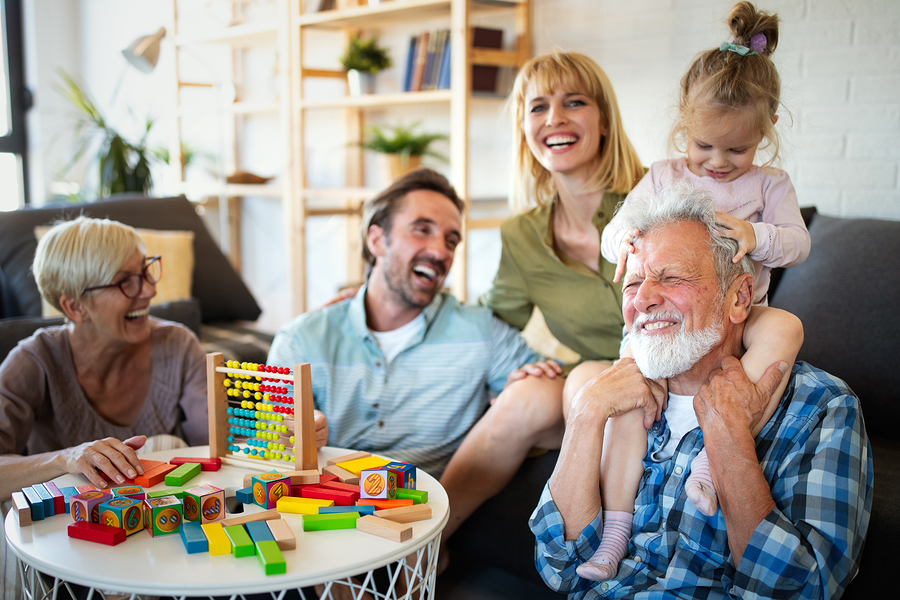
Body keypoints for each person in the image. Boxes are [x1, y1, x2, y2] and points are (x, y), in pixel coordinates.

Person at [531, 181, 872, 599]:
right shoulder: (613, 398)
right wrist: (586, 413)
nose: (643, 301)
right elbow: (559, 568)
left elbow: (803, 590)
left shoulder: (821, 408)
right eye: (632, 285)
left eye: (671, 277)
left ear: (740, 297)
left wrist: (730, 440)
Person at [577, 2, 812, 580]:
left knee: (786, 327)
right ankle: (614, 535)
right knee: (629, 409)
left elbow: (799, 246)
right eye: (704, 146)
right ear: (685, 128)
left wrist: (757, 234)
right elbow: (611, 238)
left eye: (737, 150)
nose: (718, 163)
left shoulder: (770, 185)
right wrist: (629, 239)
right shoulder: (662, 176)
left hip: (740, 314)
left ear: (764, 133)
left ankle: (714, 458)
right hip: (666, 325)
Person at [266, 169, 562, 538]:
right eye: (422, 229)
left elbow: (557, 413)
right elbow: (268, 455)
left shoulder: (480, 330)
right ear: (377, 239)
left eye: (451, 240)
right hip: (327, 520)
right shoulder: (300, 340)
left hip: (429, 516)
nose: (440, 251)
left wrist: (515, 401)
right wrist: (294, 437)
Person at [437, 51, 647, 539]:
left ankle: (593, 553)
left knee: (585, 387)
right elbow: (488, 321)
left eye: (574, 102)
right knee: (525, 395)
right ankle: (424, 549)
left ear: (603, 121)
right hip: (594, 385)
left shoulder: (658, 196)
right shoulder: (522, 235)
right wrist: (372, 297)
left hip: (670, 374)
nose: (554, 118)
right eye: (538, 107)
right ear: (524, 128)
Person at [0, 216, 208, 501]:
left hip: (162, 530)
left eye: (146, 271)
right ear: (75, 307)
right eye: (126, 282)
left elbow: (218, 446)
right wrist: (66, 458)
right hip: (65, 534)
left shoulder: (180, 345)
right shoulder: (34, 360)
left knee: (167, 444)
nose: (150, 290)